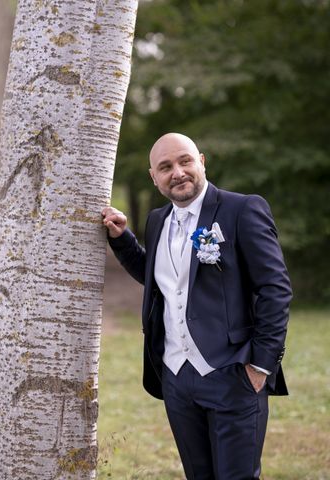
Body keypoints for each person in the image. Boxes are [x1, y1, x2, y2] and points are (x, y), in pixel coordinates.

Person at [102, 133, 292, 480]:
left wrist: (261, 367)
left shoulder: (242, 209)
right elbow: (161, 279)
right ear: (153, 177)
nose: (177, 172)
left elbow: (275, 289)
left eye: (184, 161)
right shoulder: (158, 220)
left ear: (201, 161)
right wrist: (123, 239)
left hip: (234, 374)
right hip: (177, 378)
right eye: (165, 167)